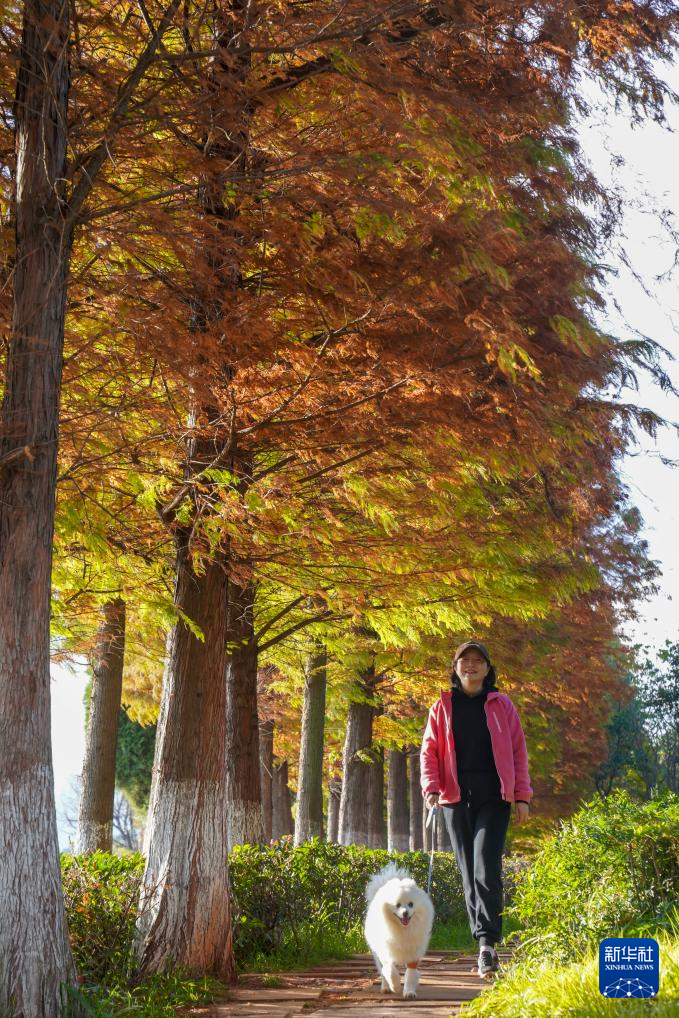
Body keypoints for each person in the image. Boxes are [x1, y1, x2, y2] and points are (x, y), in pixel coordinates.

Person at [420, 640, 532, 978]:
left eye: (478, 661)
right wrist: (431, 789)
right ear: (455, 668)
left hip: (494, 798)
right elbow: (429, 750)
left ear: (488, 668)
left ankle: (487, 945)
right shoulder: (442, 706)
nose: (471, 666)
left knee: (486, 865)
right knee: (468, 871)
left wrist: (522, 795)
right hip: (454, 799)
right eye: (464, 660)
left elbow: (518, 751)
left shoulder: (502, 705)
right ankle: (480, 939)